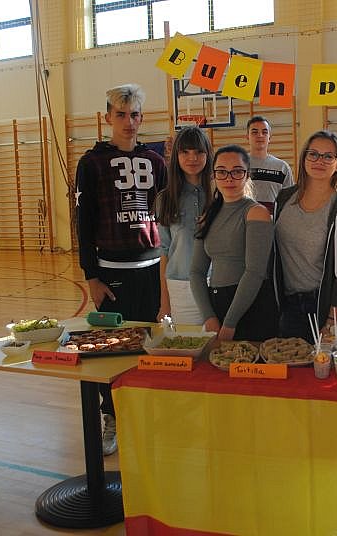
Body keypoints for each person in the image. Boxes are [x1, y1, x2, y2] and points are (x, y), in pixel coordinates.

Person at [75, 83, 167, 454]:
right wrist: (91, 276)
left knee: (152, 346)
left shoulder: (156, 161)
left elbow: (168, 217)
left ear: (142, 118)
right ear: (108, 117)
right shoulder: (91, 163)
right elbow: (83, 223)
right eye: (121, 115)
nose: (129, 122)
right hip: (112, 272)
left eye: (135, 115)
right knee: (110, 349)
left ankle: (147, 414)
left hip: (152, 269)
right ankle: (111, 416)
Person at [273, 130, 337, 342]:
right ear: (304, 158)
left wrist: (332, 321)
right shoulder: (284, 198)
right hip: (288, 306)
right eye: (313, 154)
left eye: (328, 156)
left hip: (324, 307)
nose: (319, 161)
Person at [189, 144, 277, 341]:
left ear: (247, 175)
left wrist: (230, 322)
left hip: (250, 305)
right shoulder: (208, 215)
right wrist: (209, 316)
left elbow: (254, 272)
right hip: (217, 304)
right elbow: (196, 272)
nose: (229, 178)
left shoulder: (256, 212)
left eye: (237, 171)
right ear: (214, 175)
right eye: (222, 172)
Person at [155, 126, 214, 325]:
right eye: (185, 152)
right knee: (187, 341)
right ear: (176, 156)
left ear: (208, 154)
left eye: (199, 152)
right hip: (180, 286)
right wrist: (164, 303)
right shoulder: (165, 199)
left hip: (216, 282)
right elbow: (164, 252)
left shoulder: (219, 194)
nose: (192, 158)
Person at [246, 115, 294, 213]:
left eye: (264, 132)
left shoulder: (282, 167)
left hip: (273, 221)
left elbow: (289, 201)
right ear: (247, 137)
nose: (260, 135)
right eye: (255, 132)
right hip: (244, 219)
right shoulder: (239, 165)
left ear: (269, 137)